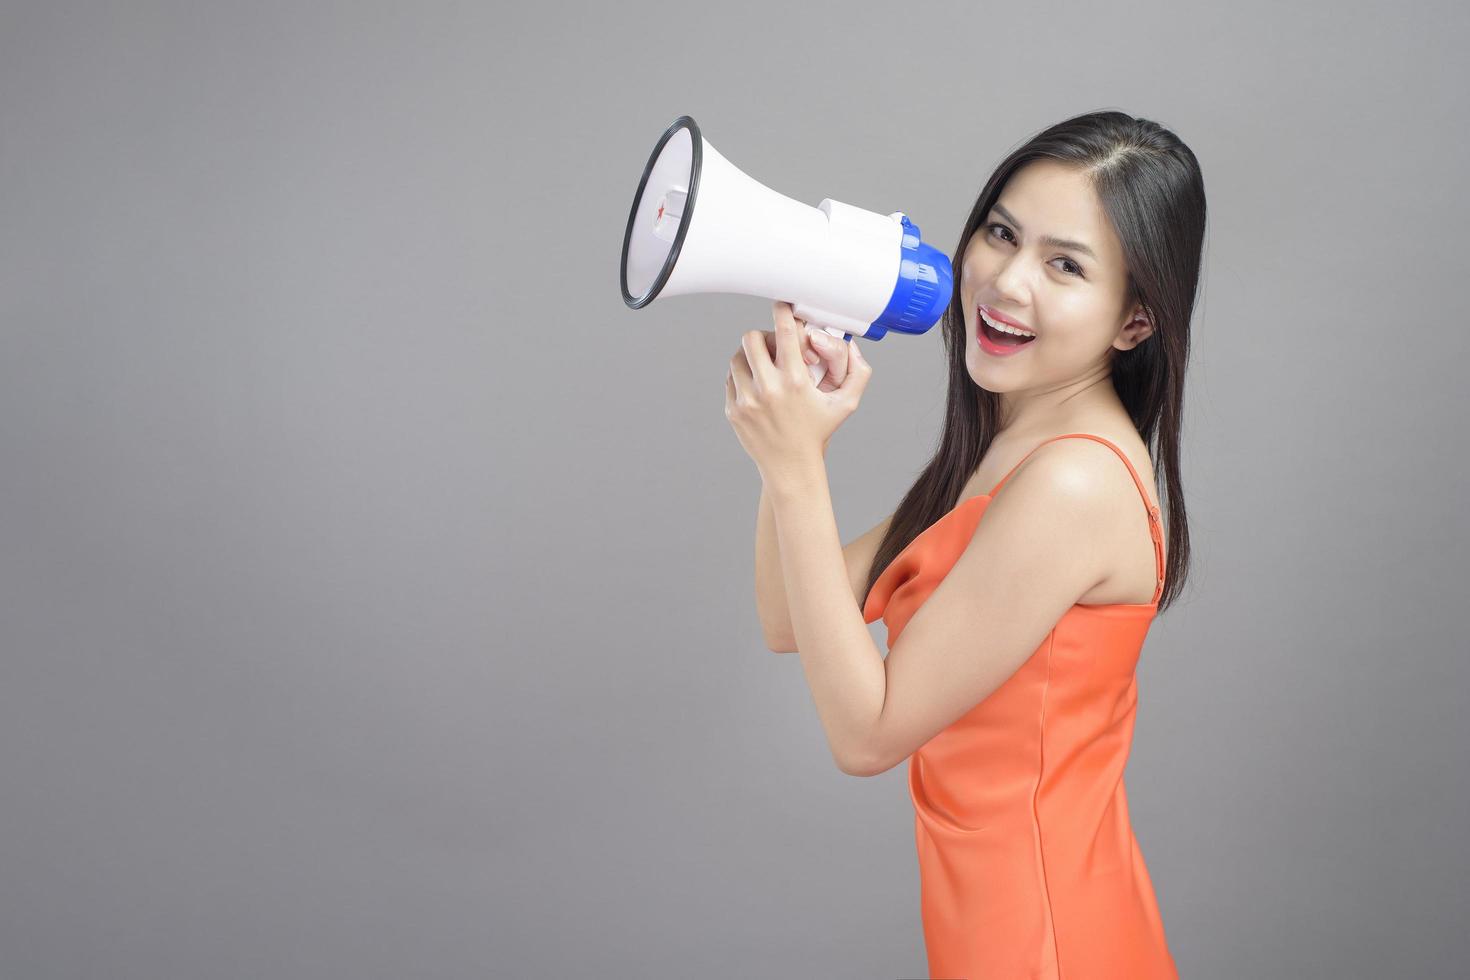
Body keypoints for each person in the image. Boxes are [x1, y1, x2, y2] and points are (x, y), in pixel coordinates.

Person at [737, 109, 1204, 978]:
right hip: (1001, 926)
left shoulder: (1074, 481)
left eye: (1065, 264)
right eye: (1000, 233)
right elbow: (788, 618)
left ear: (1134, 321)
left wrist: (799, 469)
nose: (1005, 281)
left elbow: (867, 736)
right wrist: (795, 454)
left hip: (1047, 942)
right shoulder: (1007, 448)